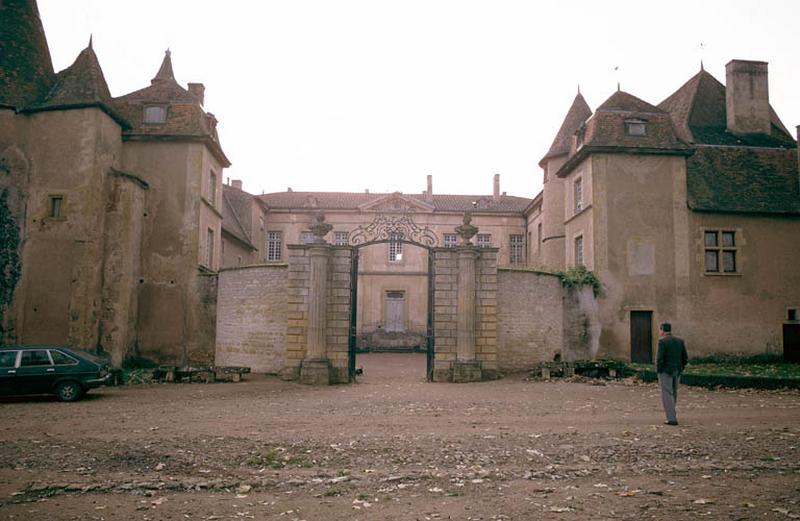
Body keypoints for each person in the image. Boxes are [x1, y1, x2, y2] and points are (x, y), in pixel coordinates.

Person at [656, 322, 688, 426]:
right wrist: (681, 368)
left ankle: (671, 418)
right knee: (674, 392)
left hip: (666, 370)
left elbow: (660, 358)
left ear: (662, 330)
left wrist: (659, 370)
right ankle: (672, 414)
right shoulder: (679, 341)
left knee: (667, 393)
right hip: (677, 370)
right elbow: (685, 357)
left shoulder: (662, 342)